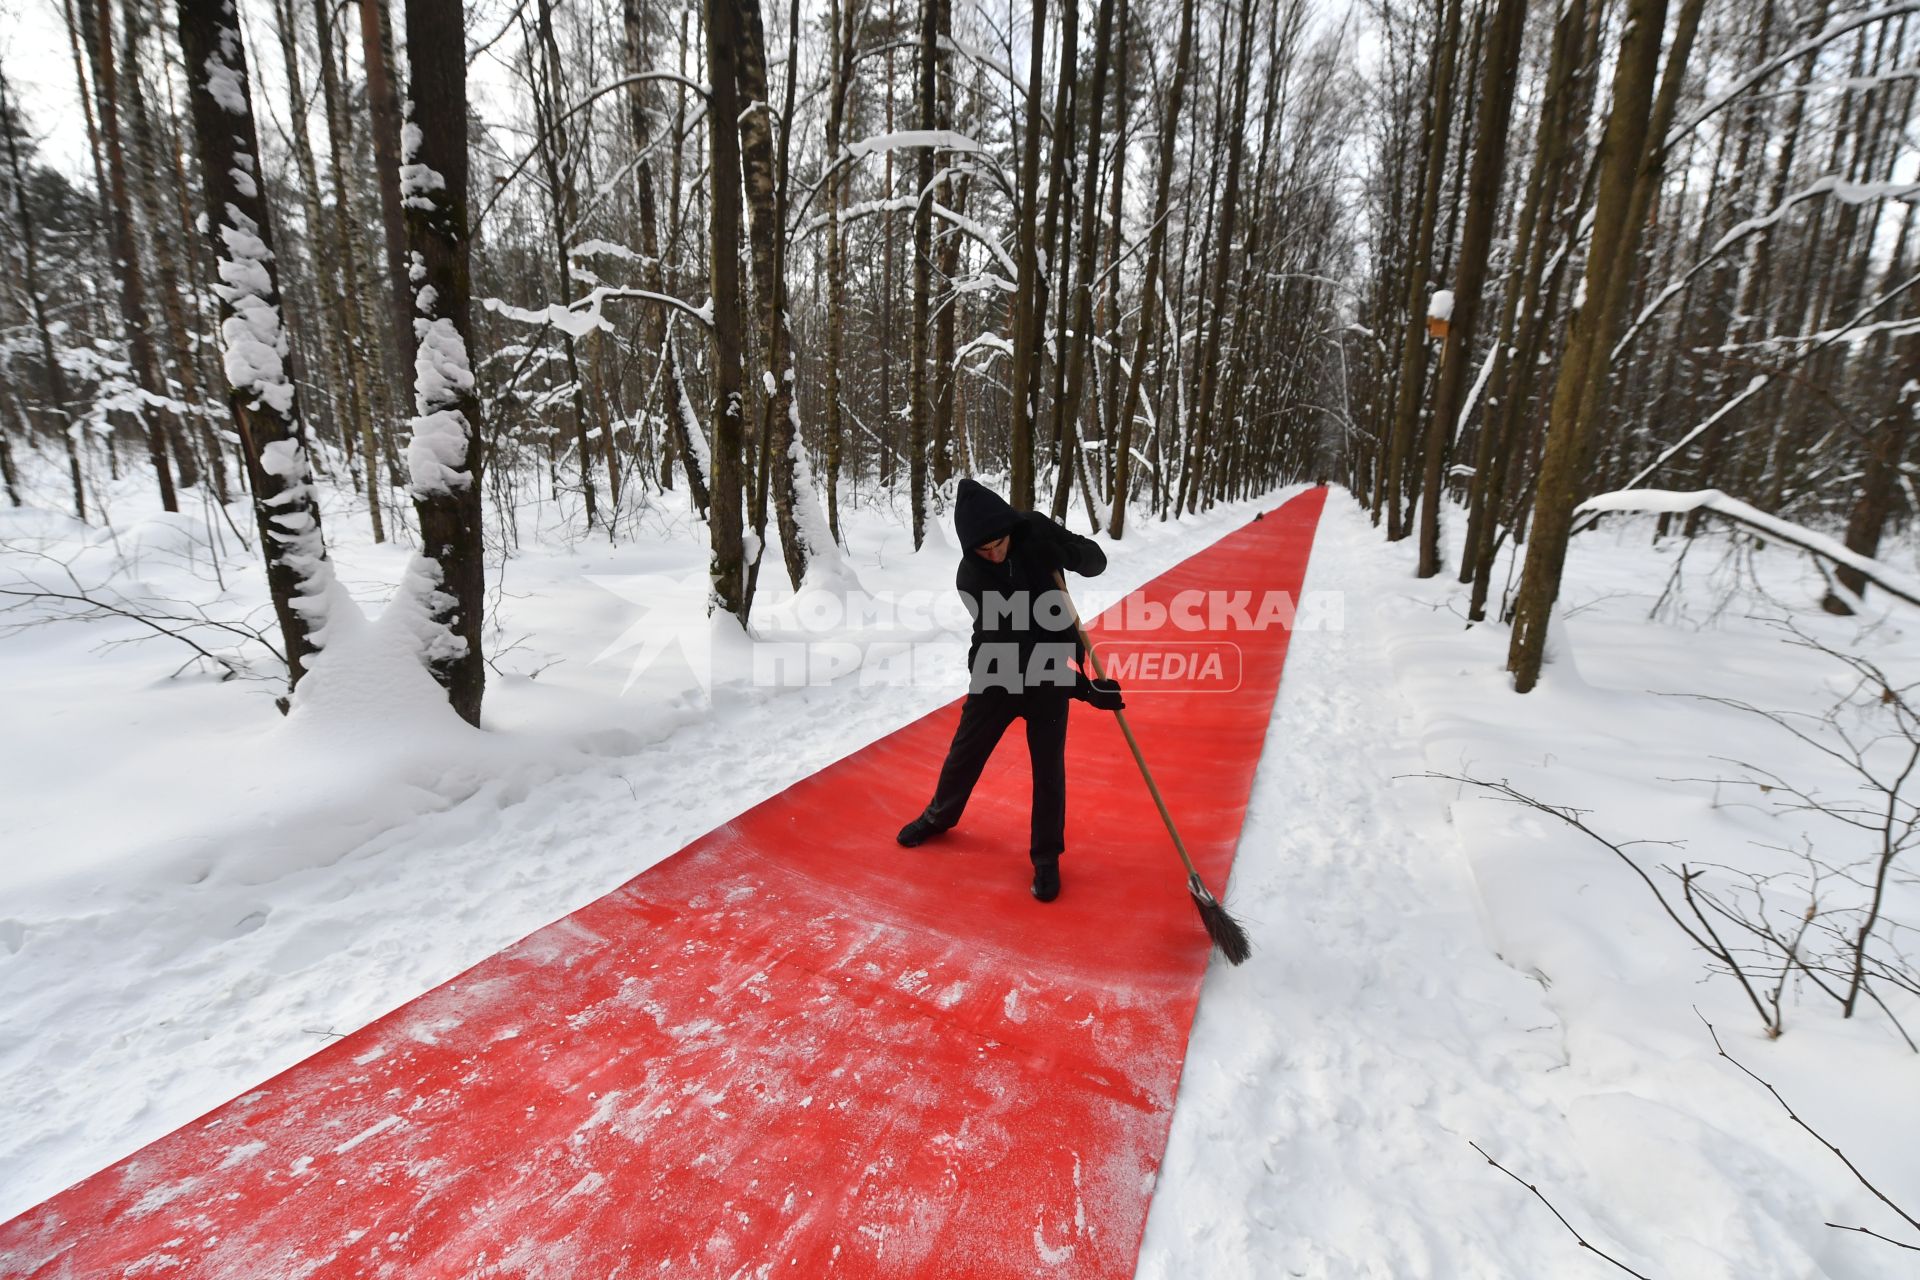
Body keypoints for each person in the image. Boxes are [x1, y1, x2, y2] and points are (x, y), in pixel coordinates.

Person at [896, 478, 1124, 901]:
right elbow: (1017, 648)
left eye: (1000, 543)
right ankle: (938, 817)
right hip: (997, 672)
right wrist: (1084, 689)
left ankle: (1046, 857)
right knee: (966, 752)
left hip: (1051, 668)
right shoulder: (972, 576)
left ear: (1009, 529)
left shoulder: (1033, 529)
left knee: (1048, 768)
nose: (995, 553)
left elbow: (1096, 563)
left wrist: (1064, 552)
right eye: (984, 549)